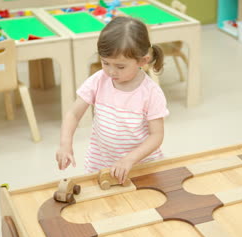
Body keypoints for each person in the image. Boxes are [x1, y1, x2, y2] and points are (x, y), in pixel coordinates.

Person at [56, 16, 169, 184]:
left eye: (120, 66)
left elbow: (156, 136)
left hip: (140, 166)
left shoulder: (151, 93)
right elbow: (73, 113)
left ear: (142, 61)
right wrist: (65, 144)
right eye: (105, 62)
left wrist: (129, 160)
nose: (111, 72)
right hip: (101, 163)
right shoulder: (98, 80)